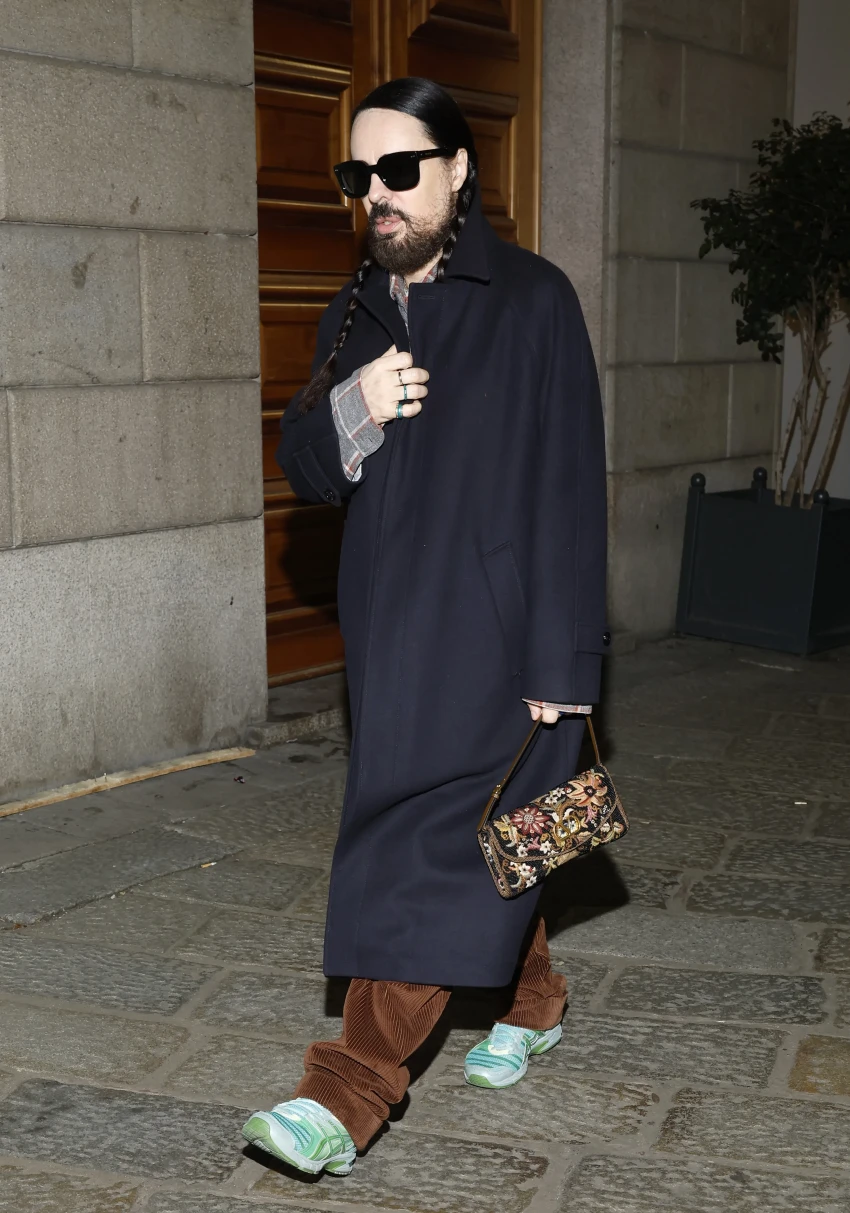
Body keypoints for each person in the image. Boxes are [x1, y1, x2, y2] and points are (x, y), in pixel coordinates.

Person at [242, 76, 608, 1177]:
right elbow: (304, 464)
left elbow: (569, 488)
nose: (378, 196)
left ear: (456, 169)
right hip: (391, 639)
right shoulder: (355, 307)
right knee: (497, 832)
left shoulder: (534, 300)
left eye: (400, 170)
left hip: (499, 641)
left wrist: (565, 659)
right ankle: (534, 998)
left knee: (428, 855)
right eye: (359, 175)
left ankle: (345, 1090)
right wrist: (355, 406)